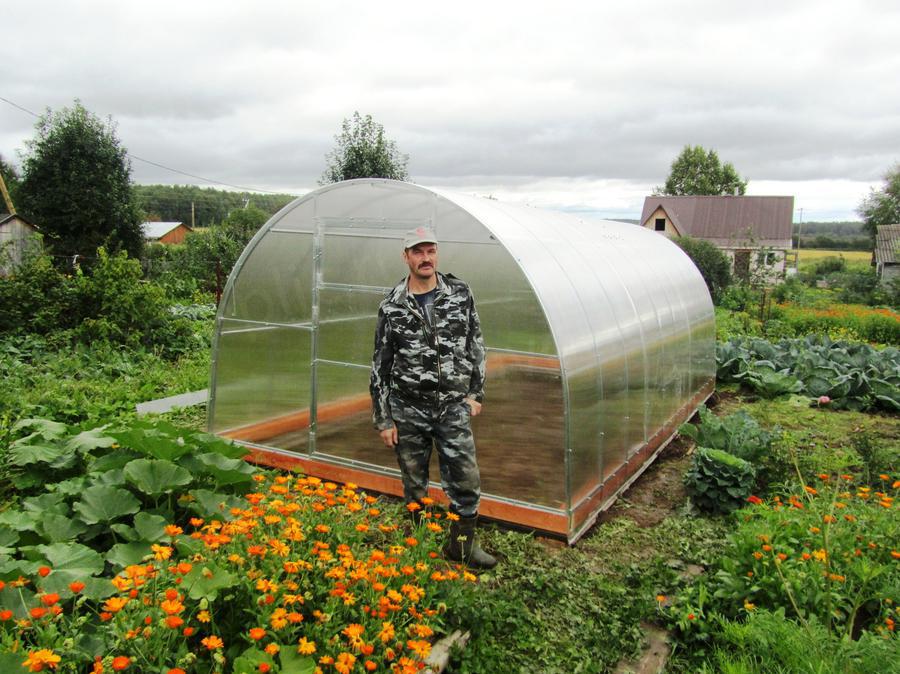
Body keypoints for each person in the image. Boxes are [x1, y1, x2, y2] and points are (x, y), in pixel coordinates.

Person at [370, 226, 497, 569]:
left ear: (437, 254)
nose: (425, 258)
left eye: (431, 251)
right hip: (408, 409)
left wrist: (475, 393)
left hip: (452, 408)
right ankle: (419, 544)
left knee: (465, 480)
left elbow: (476, 343)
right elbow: (380, 365)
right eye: (418, 252)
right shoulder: (392, 306)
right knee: (414, 484)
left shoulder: (459, 293)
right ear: (406, 256)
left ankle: (461, 547)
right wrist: (384, 419)